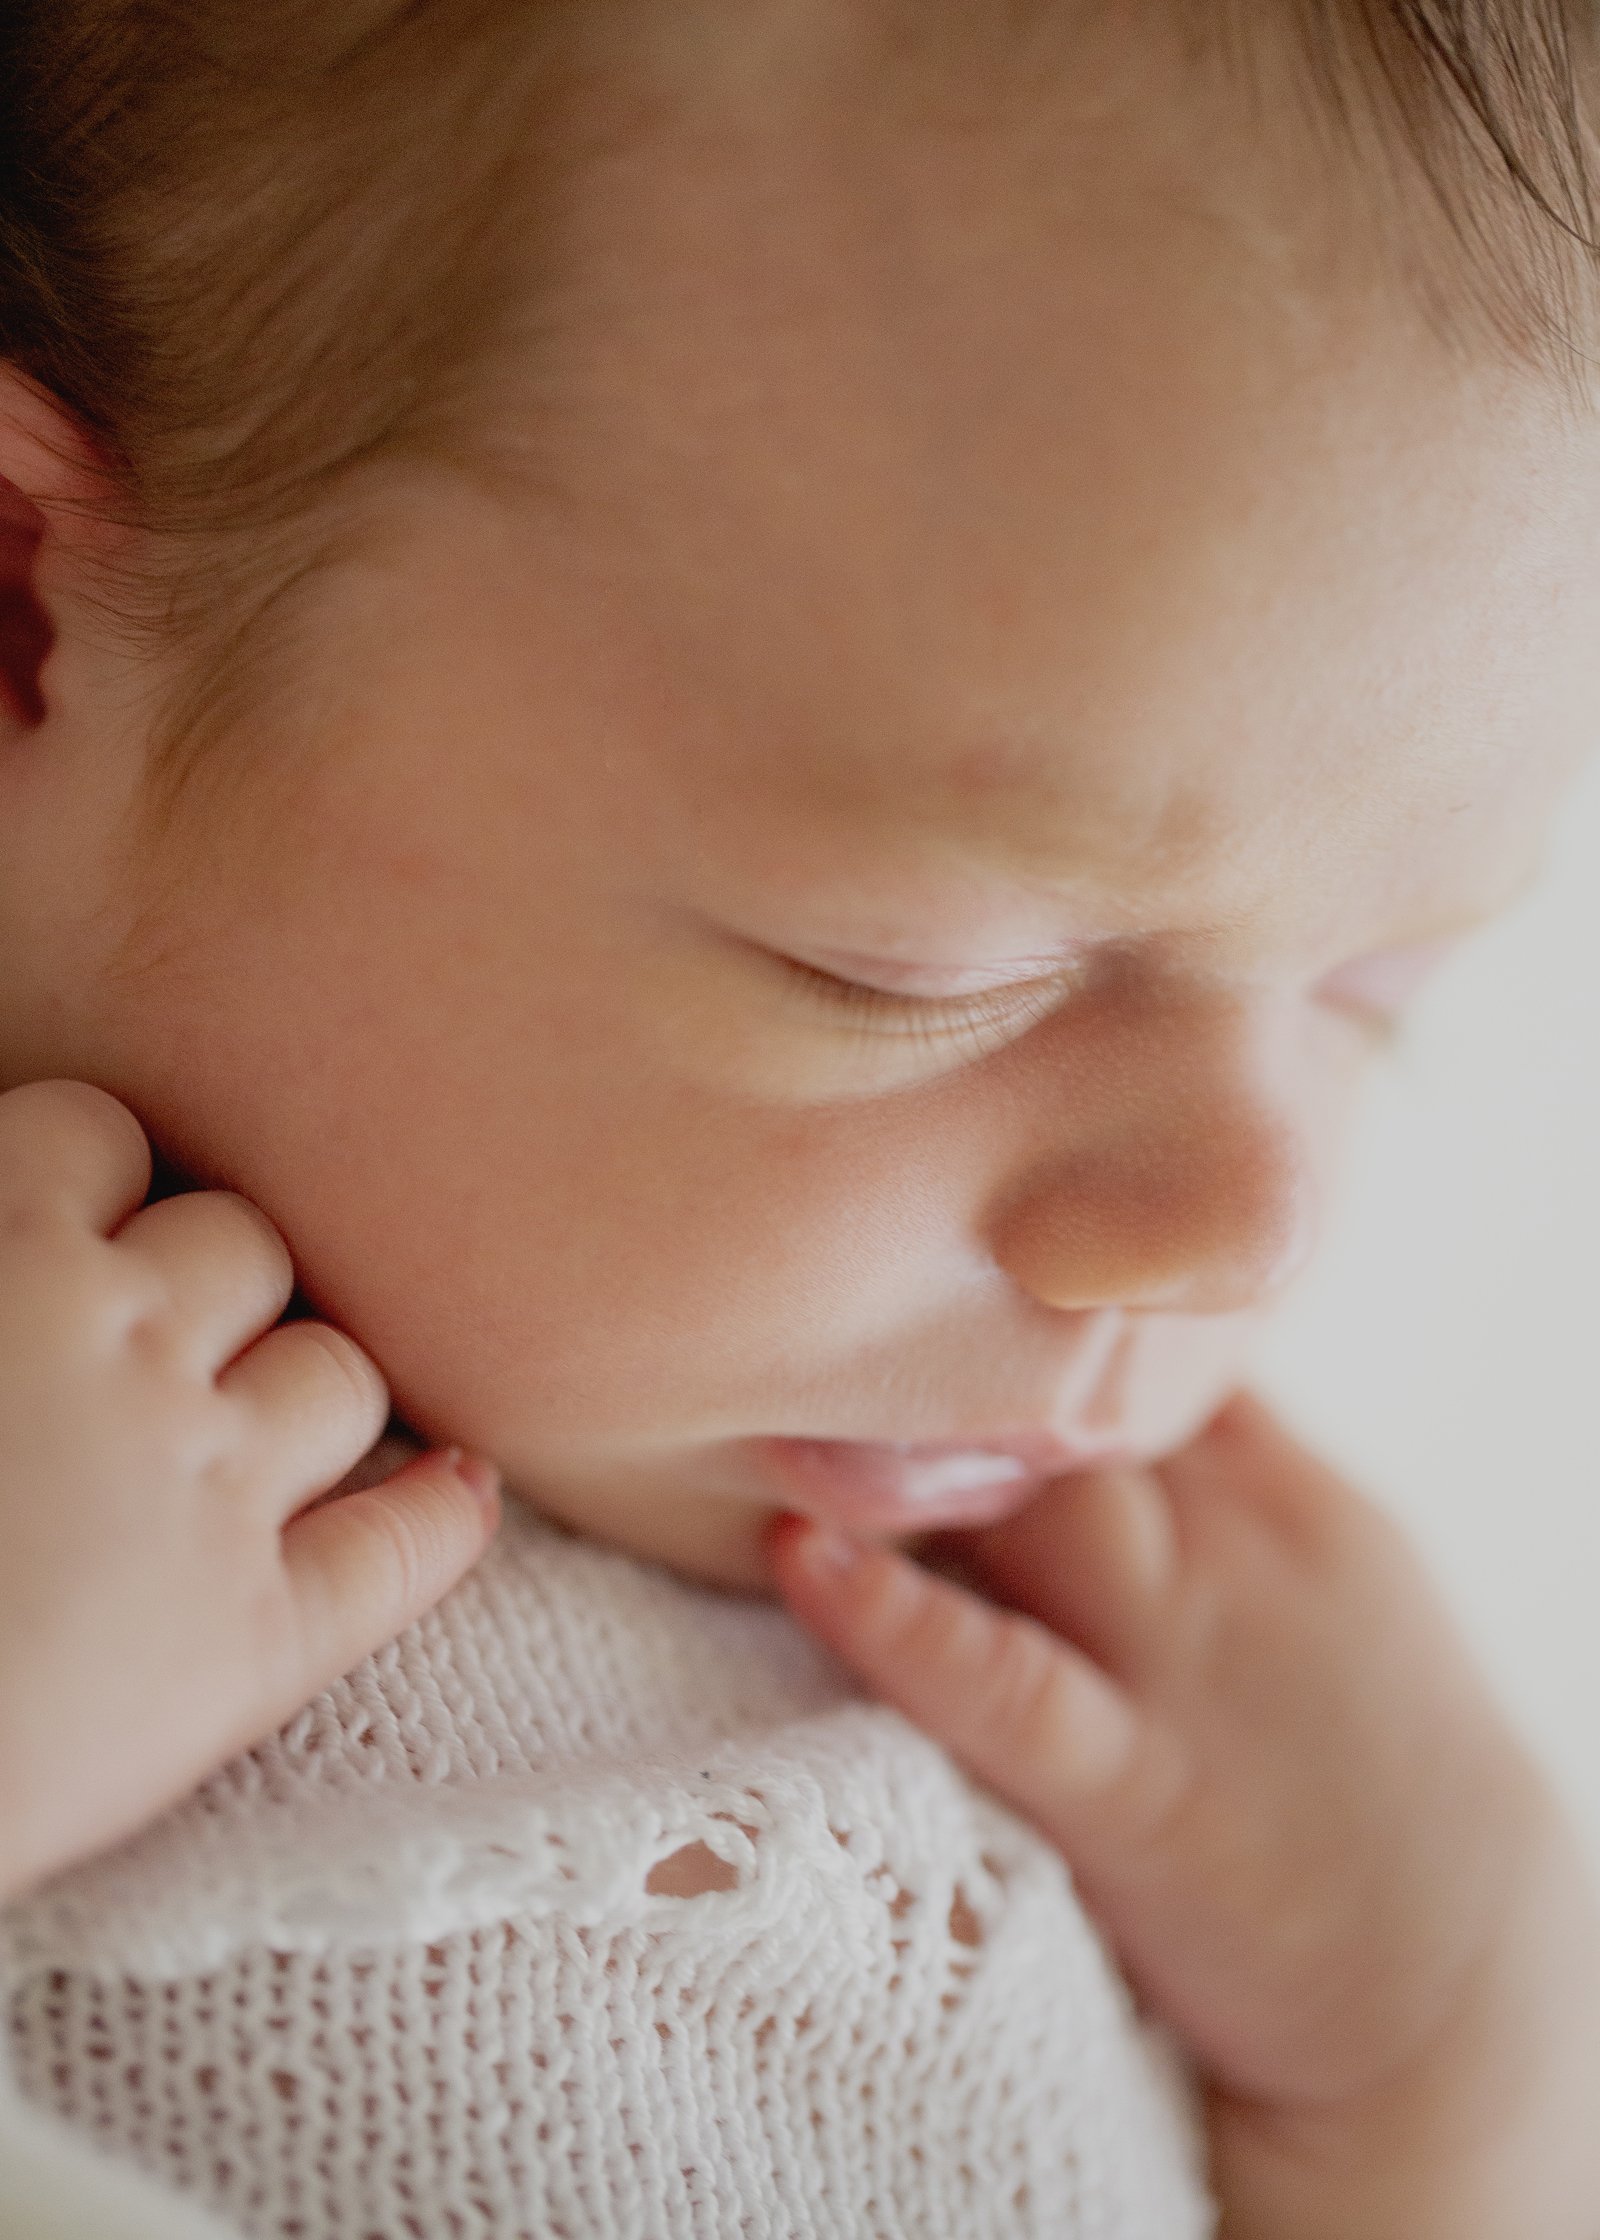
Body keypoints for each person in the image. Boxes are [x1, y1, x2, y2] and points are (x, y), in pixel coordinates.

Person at [1, 0, 1598, 2233]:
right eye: (922, 967)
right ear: (23, 610)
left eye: (1376, 990)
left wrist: (1444, 2070)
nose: (1253, 1221)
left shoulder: (1150, 1751)